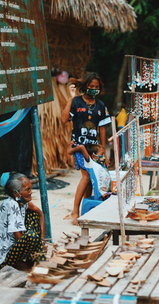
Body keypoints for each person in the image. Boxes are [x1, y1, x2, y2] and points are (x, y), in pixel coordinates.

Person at [61, 72, 111, 225]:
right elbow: (64, 120)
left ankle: (85, 211)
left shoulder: (101, 106)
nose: (94, 89)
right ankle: (75, 211)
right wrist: (70, 97)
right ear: (85, 86)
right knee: (86, 177)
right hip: (78, 146)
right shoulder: (76, 102)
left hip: (94, 149)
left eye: (97, 87)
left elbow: (102, 129)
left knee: (91, 180)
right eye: (91, 86)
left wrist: (103, 149)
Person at [0, 172, 46, 270]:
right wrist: (38, 247)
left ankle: (32, 260)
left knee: (33, 214)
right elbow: (18, 237)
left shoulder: (22, 202)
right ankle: (17, 263)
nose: (31, 192)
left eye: (30, 188)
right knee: (32, 237)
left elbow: (40, 214)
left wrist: (42, 239)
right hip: (3, 256)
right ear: (16, 193)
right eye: (27, 189)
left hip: (14, 247)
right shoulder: (11, 205)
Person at [68, 144, 112, 215]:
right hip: (101, 195)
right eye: (102, 154)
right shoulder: (90, 164)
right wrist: (73, 150)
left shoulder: (101, 165)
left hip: (107, 193)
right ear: (94, 156)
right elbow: (82, 147)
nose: (104, 156)